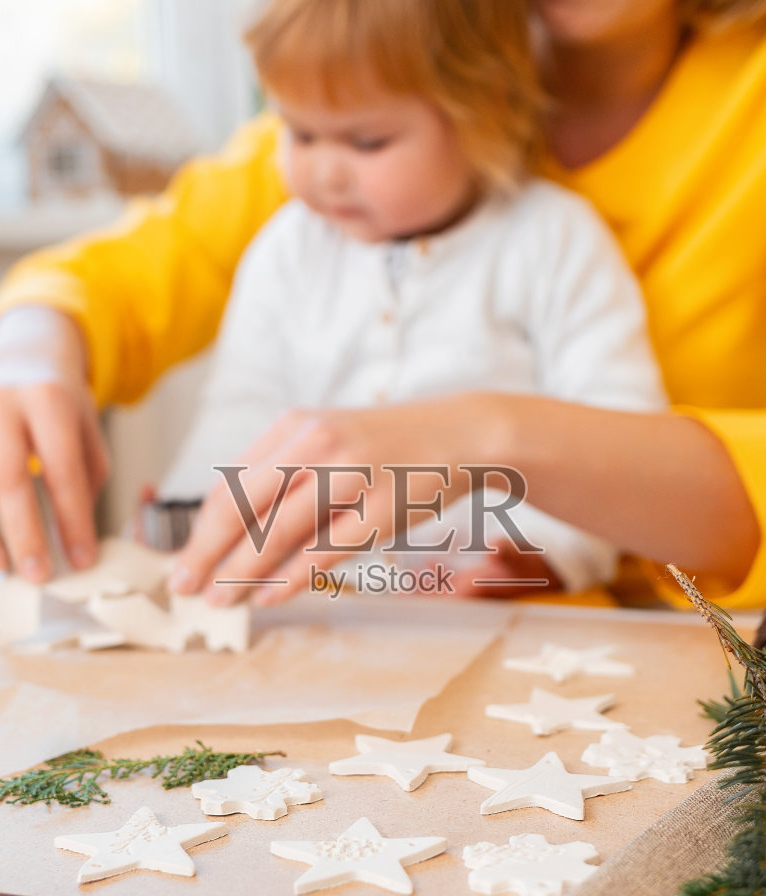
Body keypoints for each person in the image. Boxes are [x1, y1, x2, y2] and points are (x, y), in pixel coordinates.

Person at [0, 0, 766, 610]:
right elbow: (144, 265)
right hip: (403, 650)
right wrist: (28, 355)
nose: (332, 165)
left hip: (735, 672)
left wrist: (490, 437)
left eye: (369, 143)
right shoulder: (410, 41)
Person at [158, 0, 666, 599]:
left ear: (486, 113)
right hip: (330, 605)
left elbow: (618, 432)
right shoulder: (287, 248)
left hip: (517, 616)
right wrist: (191, 511)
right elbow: (244, 409)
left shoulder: (554, 240)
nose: (324, 172)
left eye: (367, 142)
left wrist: (539, 555)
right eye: (300, 133)